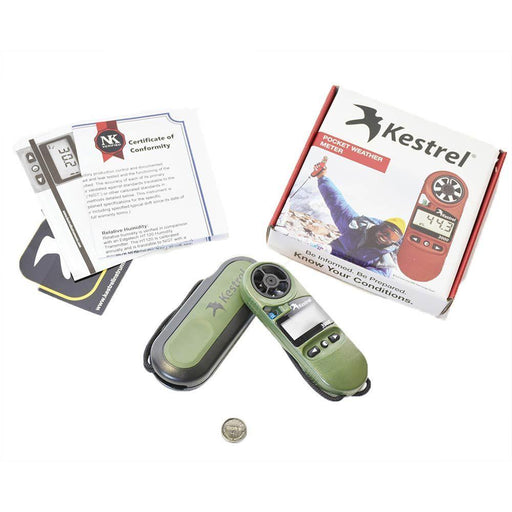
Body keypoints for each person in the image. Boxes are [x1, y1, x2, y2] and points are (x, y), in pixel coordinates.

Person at [314, 162, 405, 277]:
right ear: (379, 227)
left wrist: (359, 274)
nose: (384, 237)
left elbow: (380, 277)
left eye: (392, 237)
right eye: (385, 230)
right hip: (325, 261)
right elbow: (337, 203)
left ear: (395, 242)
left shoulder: (385, 260)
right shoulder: (356, 227)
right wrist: (322, 177)